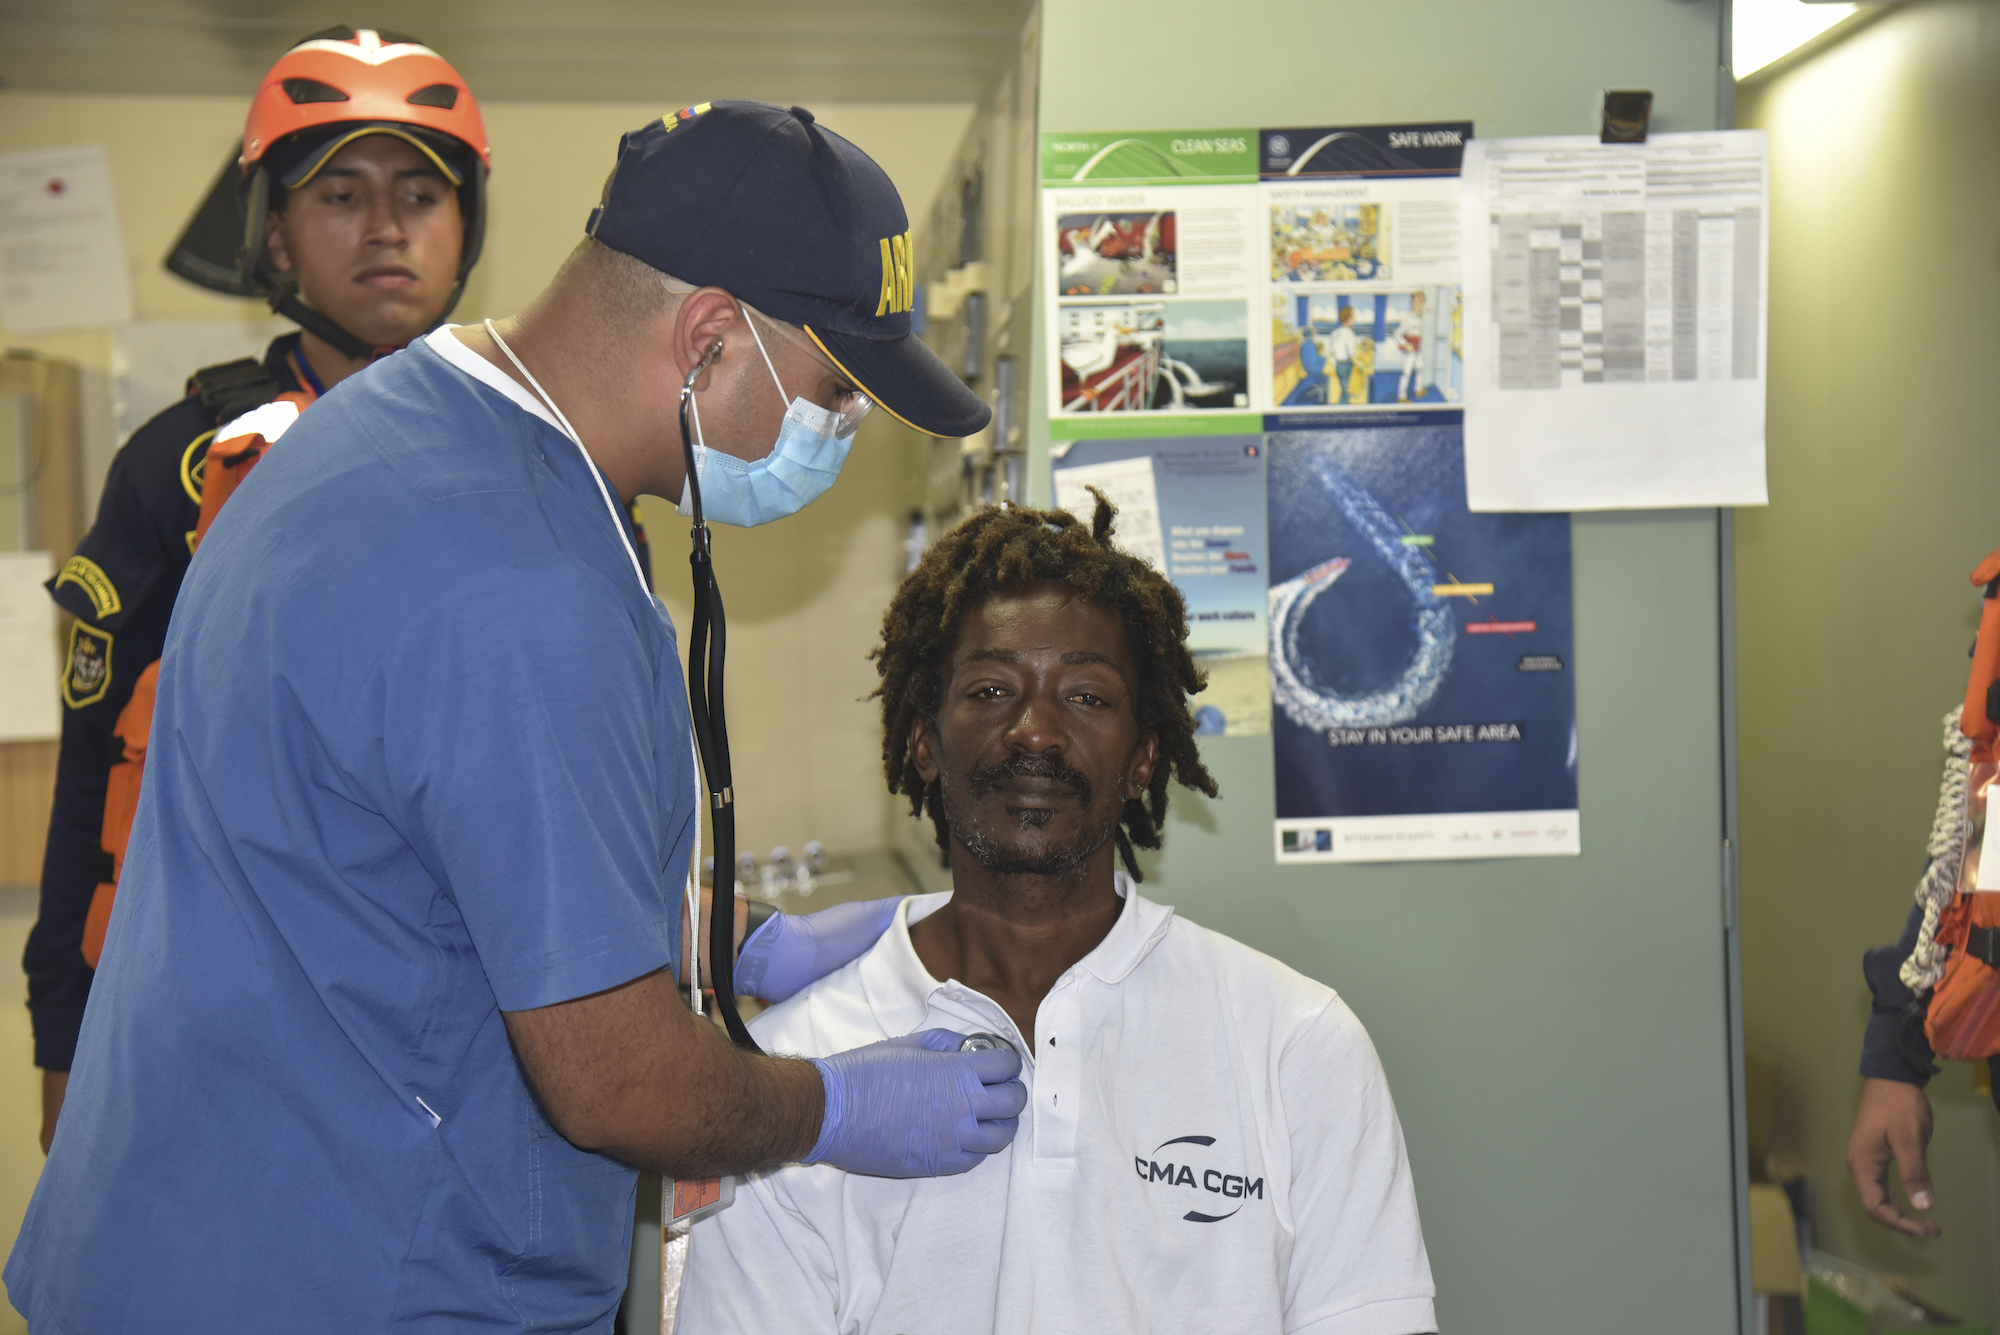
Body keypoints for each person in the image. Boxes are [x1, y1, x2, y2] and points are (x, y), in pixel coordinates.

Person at [6, 100, 1026, 1332]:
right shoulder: (525, 585)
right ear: (708, 340)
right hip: (349, 1284)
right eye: (835, 392)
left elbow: (410, 849)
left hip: (183, 1246)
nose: (842, 431)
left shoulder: (384, 429)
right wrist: (837, 1108)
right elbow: (619, 1083)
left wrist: (738, 942)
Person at [676, 494, 1437, 1335]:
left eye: (1086, 696)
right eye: (992, 688)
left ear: (1144, 755)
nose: (1034, 731)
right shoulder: (794, 1078)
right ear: (924, 740)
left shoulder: (1295, 1045)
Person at [24, 24, 496, 1154]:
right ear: (275, 235)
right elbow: (97, 776)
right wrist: (63, 1041)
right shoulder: (181, 466)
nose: (385, 226)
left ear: (465, 226)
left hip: (473, 1032)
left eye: (420, 193)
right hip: (218, 1031)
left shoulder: (541, 455)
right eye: (339, 193)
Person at [1395, 289, 1426, 402]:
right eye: (1416, 300)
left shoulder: (1422, 316)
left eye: (1421, 301)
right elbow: (1397, 334)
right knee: (1407, 372)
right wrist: (1406, 344)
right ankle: (1401, 396)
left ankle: (1418, 390)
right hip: (1410, 348)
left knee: (1420, 368)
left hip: (1418, 347)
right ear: (1412, 302)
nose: (1418, 303)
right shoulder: (1408, 317)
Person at [1328, 303, 1359, 405]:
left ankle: (1342, 406)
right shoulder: (1350, 334)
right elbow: (1352, 355)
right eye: (1354, 317)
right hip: (1346, 365)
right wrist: (1361, 364)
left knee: (1344, 389)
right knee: (1346, 391)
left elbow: (1331, 352)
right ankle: (1343, 408)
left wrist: (1334, 362)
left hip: (1338, 365)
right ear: (1349, 318)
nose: (1354, 319)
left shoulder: (1335, 333)